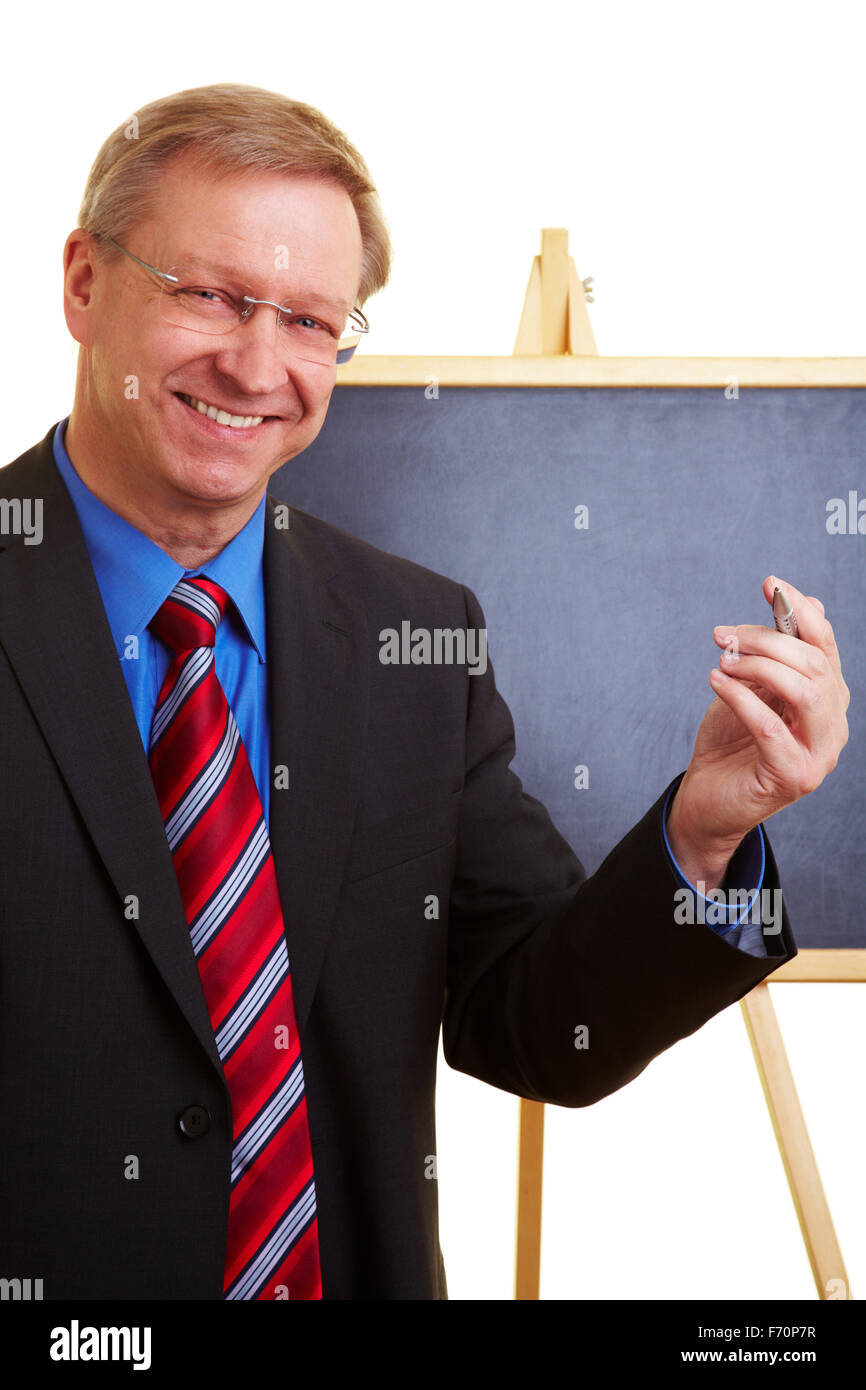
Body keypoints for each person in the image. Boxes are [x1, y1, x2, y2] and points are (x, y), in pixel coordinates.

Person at [0, 83, 849, 1301]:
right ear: (83, 281)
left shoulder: (412, 633)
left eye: (308, 320)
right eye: (210, 295)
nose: (256, 362)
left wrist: (706, 831)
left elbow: (537, 1022)